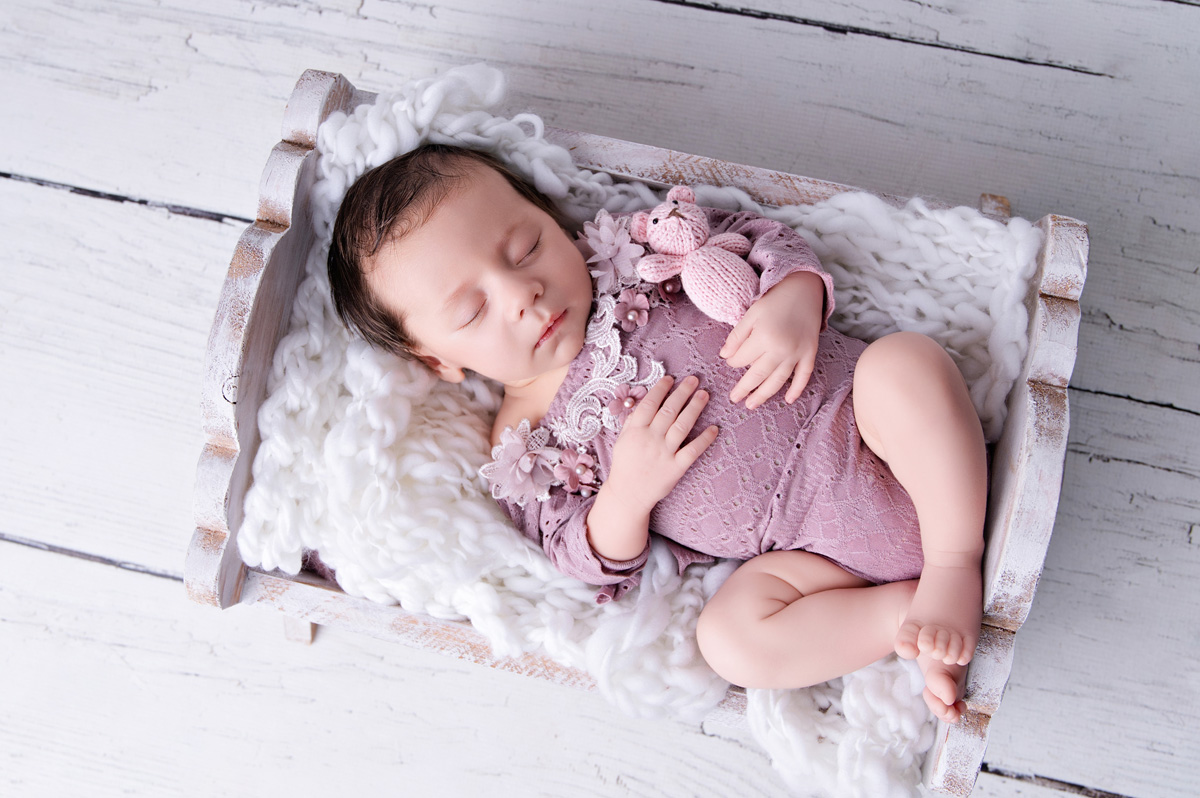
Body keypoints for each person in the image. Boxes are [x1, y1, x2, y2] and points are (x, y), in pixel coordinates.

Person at [328, 144, 988, 723]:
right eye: (473, 310)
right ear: (440, 362)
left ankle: (953, 561)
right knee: (731, 640)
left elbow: (750, 237)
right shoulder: (523, 449)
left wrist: (794, 298)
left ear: (549, 217)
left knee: (904, 363)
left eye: (526, 246)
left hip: (861, 421)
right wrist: (627, 496)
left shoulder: (637, 259)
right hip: (812, 555)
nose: (523, 293)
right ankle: (903, 619)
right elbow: (579, 558)